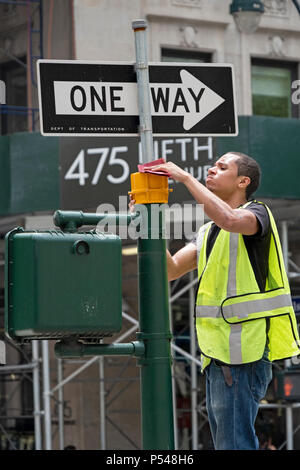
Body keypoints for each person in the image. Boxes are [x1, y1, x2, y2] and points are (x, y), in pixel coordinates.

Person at [130, 151, 300, 450]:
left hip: (244, 352)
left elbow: (230, 218)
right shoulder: (208, 232)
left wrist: (184, 178)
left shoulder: (257, 214)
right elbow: (169, 271)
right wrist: (148, 223)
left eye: (222, 167)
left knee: (233, 443)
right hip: (218, 355)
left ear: (243, 181)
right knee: (229, 443)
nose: (212, 169)